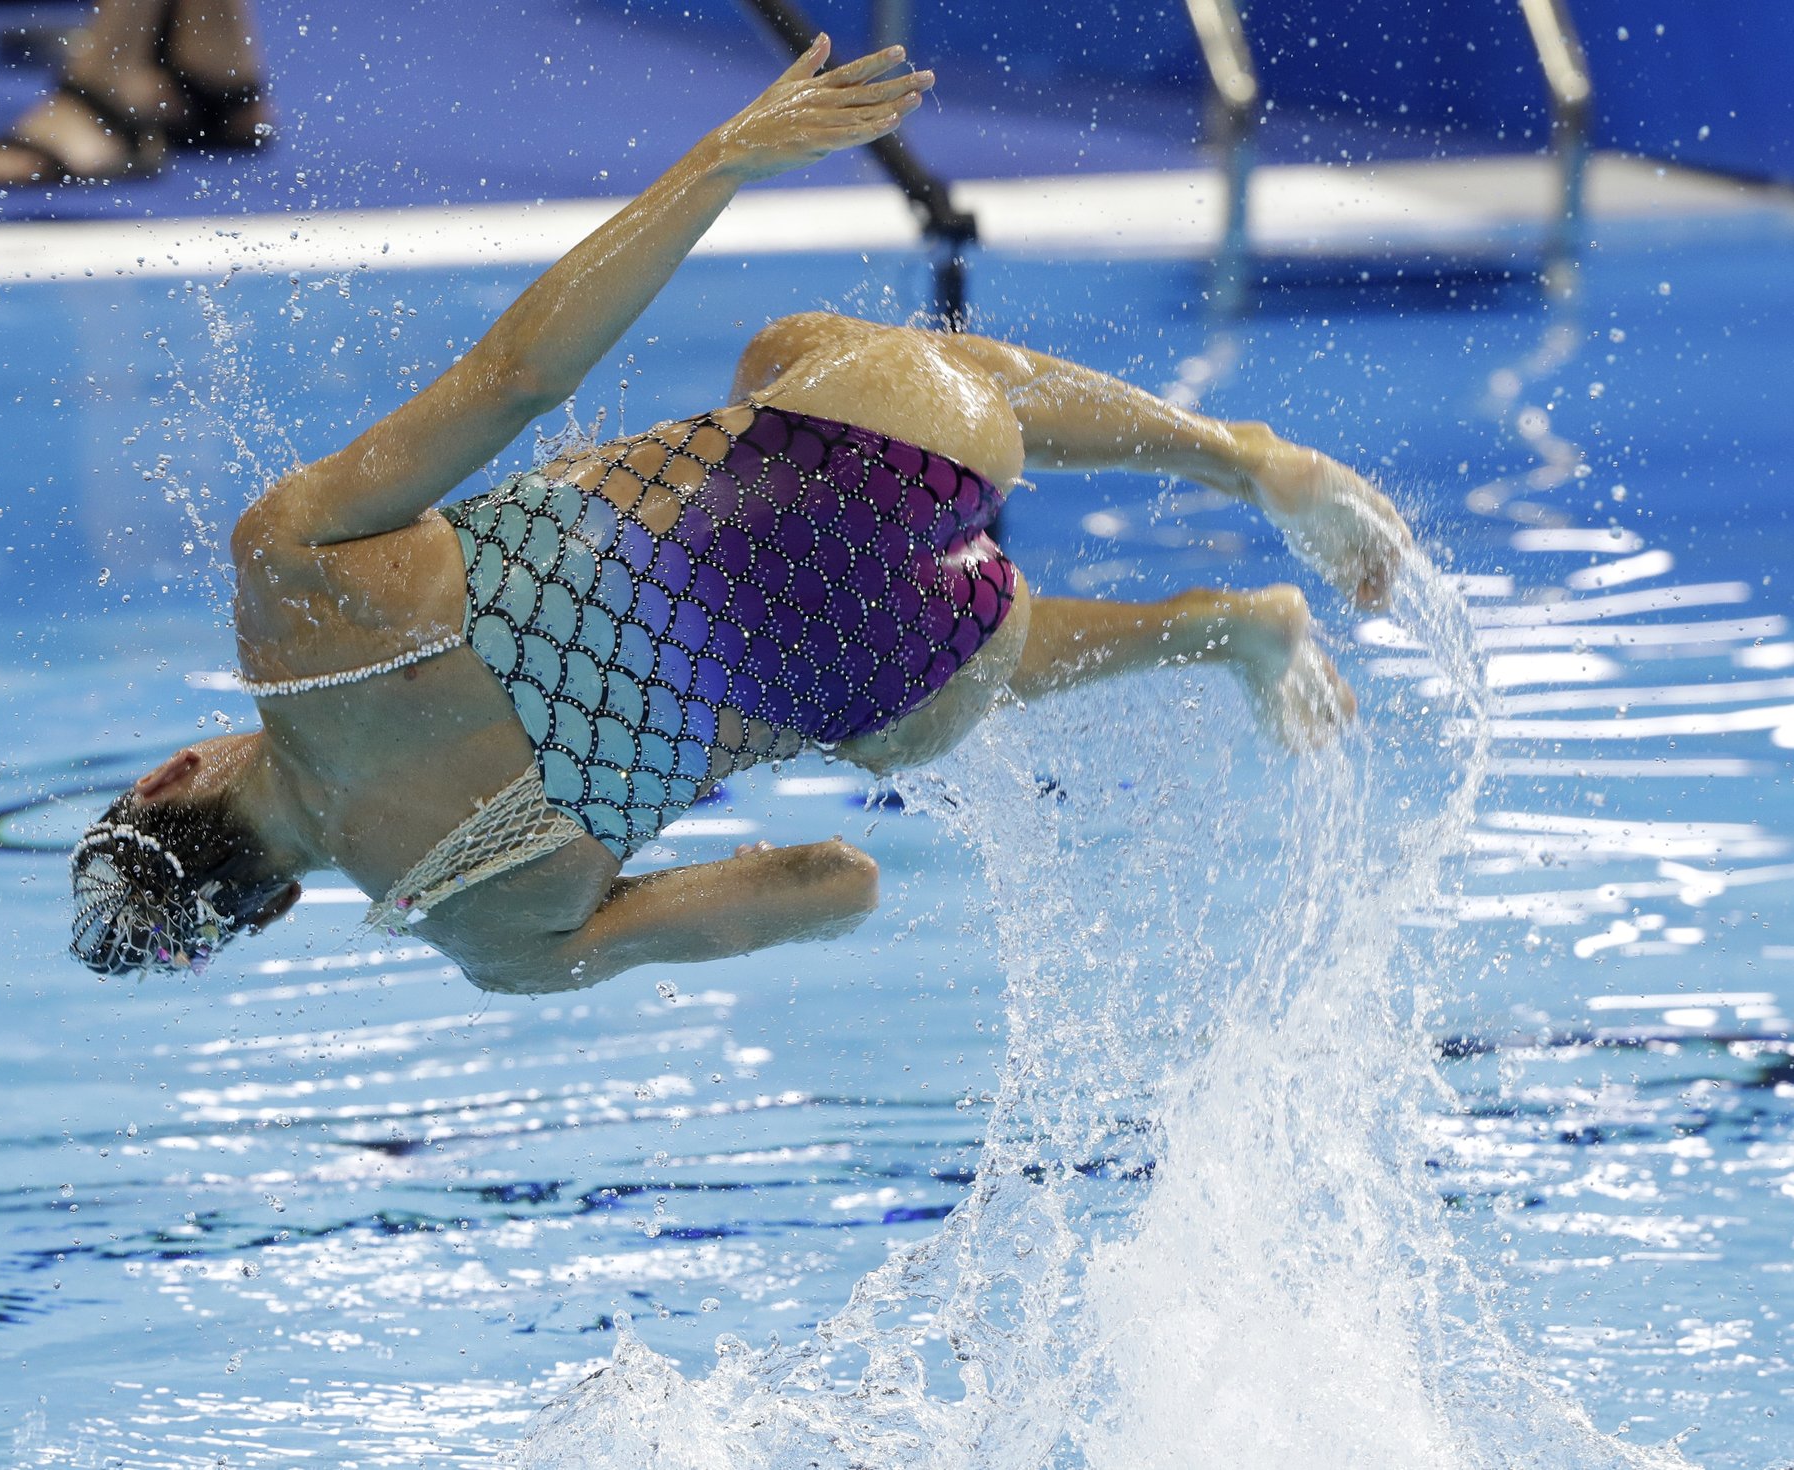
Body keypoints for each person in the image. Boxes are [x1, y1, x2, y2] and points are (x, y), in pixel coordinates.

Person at [68, 38, 1413, 991]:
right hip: (884, 453)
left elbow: (834, 884)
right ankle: (1240, 462)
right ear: (170, 774)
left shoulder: (492, 939)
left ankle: (1227, 627)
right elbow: (520, 376)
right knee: (792, 353)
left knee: (848, 670)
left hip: (917, 679)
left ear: (271, 907)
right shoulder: (289, 578)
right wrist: (719, 161)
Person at [0, 0, 266, 186]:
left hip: (113, 94)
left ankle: (107, 85)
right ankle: (213, 59)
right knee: (210, 58)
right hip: (202, 80)